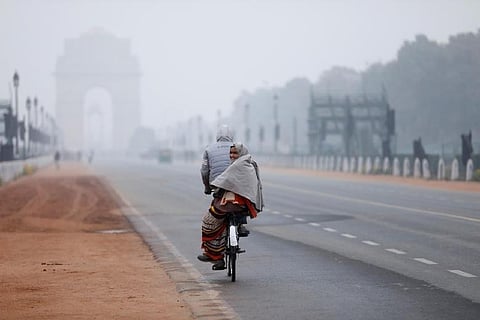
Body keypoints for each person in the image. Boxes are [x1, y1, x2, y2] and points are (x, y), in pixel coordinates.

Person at [197, 142, 263, 269]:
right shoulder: (250, 164)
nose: (232, 156)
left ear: (241, 153)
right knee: (222, 224)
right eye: (231, 153)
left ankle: (215, 256)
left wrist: (212, 187)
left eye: (235, 153)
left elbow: (221, 181)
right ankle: (240, 226)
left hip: (231, 204)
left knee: (209, 220)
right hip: (245, 207)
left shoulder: (236, 166)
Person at [200, 125, 249, 236]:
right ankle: (241, 224)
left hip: (217, 184)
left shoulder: (209, 149)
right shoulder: (239, 148)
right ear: (232, 136)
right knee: (242, 199)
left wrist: (207, 188)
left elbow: (204, 171)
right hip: (236, 185)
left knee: (216, 207)